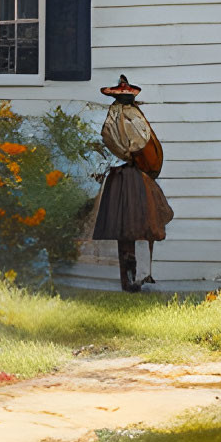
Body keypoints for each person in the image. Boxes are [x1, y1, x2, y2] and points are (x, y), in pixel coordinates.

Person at [91, 74, 172, 292]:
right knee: (140, 225)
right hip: (135, 176)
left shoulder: (113, 114)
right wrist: (149, 165)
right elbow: (144, 147)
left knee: (127, 228)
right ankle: (136, 277)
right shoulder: (131, 115)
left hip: (119, 176)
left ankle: (133, 277)